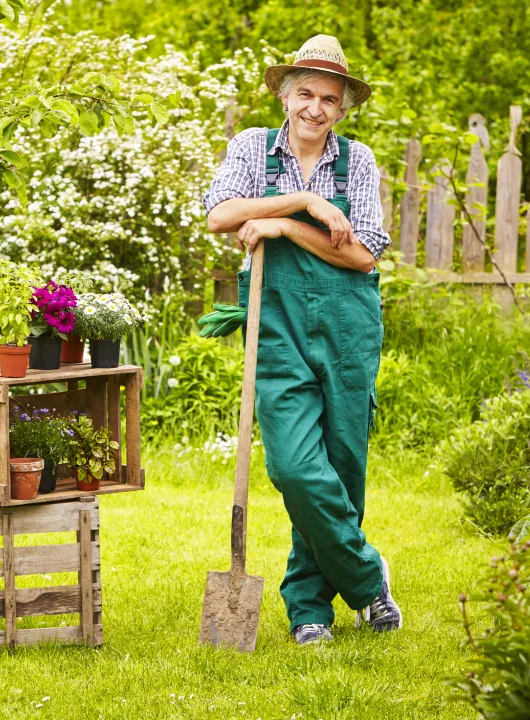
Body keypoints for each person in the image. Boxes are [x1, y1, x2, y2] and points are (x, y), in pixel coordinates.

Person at [200, 34, 402, 645]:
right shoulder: (251, 148)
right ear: (286, 97)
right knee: (294, 466)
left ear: (342, 109)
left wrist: (283, 227)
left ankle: (309, 609)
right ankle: (368, 578)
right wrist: (305, 202)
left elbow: (363, 255)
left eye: (329, 99)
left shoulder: (358, 161)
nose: (316, 108)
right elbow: (220, 215)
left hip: (347, 324)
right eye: (306, 94)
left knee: (341, 466)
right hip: (276, 322)